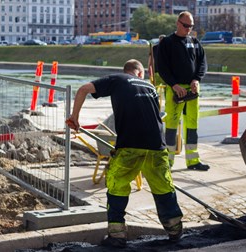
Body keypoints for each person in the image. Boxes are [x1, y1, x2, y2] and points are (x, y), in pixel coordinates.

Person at [65, 59, 184, 248]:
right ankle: (175, 231)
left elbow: (83, 90)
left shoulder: (118, 79)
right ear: (139, 73)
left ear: (127, 71)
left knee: (116, 185)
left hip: (130, 145)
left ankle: (117, 235)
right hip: (156, 146)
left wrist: (74, 118)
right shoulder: (150, 87)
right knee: (163, 187)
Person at [157, 11, 210, 171]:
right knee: (172, 125)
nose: (188, 29)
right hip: (175, 90)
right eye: (186, 25)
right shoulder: (167, 42)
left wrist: (196, 80)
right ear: (178, 23)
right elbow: (162, 68)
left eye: (191, 26)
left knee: (192, 125)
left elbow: (202, 63)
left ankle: (193, 160)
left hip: (192, 90)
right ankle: (168, 161)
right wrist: (174, 85)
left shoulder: (194, 42)